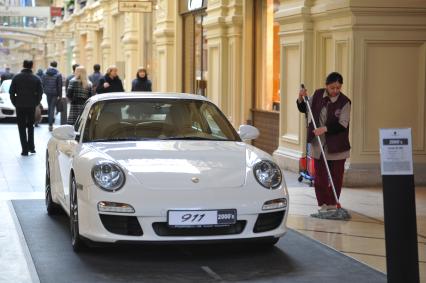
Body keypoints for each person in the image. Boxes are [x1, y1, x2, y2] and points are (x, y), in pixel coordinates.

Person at [296, 72, 351, 213]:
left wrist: (324, 129)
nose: (335, 91)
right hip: (318, 145)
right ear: (326, 86)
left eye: (338, 88)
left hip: (337, 146)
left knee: (336, 177)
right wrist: (301, 98)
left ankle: (333, 203)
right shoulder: (318, 94)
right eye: (332, 88)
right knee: (320, 177)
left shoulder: (345, 102)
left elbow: (342, 125)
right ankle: (323, 204)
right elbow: (304, 109)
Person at [8, 60, 43, 156]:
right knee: (31, 126)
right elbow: (40, 93)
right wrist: (36, 102)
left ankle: (24, 149)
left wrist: (15, 102)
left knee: (21, 127)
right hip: (31, 105)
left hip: (20, 105)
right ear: (32, 66)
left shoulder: (16, 77)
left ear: (23, 65)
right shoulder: (36, 78)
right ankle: (32, 148)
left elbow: (11, 92)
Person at [42, 61, 63, 131]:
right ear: (56, 66)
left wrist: (44, 90)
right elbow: (59, 86)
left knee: (49, 107)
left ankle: (49, 123)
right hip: (55, 93)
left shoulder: (45, 73)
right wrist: (60, 96)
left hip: (47, 93)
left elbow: (43, 83)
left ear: (50, 65)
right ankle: (50, 124)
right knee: (52, 108)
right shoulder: (58, 74)